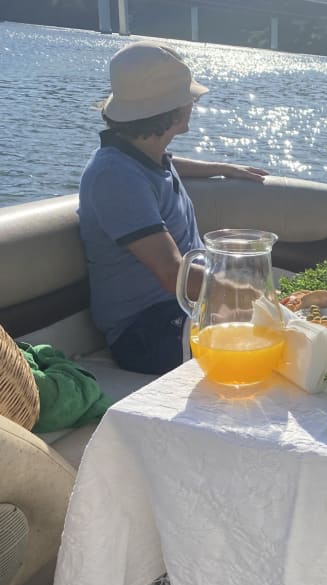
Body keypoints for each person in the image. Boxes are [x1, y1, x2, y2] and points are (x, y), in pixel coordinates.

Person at [78, 41, 268, 375]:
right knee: (272, 348)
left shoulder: (142, 156)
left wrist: (220, 167)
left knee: (285, 337)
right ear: (175, 112)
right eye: (190, 98)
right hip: (145, 332)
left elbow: (167, 164)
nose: (194, 104)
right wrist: (249, 298)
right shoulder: (115, 176)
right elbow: (170, 273)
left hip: (179, 310)